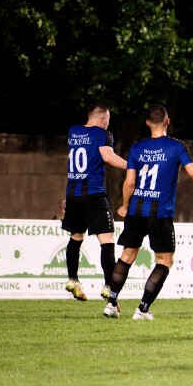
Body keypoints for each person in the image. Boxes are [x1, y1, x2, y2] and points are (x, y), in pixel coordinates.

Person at [103, 105, 193, 320]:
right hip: (159, 214)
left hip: (135, 211)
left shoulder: (137, 147)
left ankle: (111, 303)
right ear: (167, 122)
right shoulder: (176, 146)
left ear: (148, 123)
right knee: (164, 261)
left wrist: (124, 205)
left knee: (127, 256)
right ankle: (142, 309)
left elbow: (129, 182)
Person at [61, 103, 127, 302]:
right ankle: (109, 288)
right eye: (108, 121)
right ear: (103, 120)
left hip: (73, 194)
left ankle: (73, 279)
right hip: (94, 194)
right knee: (107, 242)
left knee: (76, 237)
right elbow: (108, 156)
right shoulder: (103, 134)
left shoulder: (73, 131)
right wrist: (132, 166)